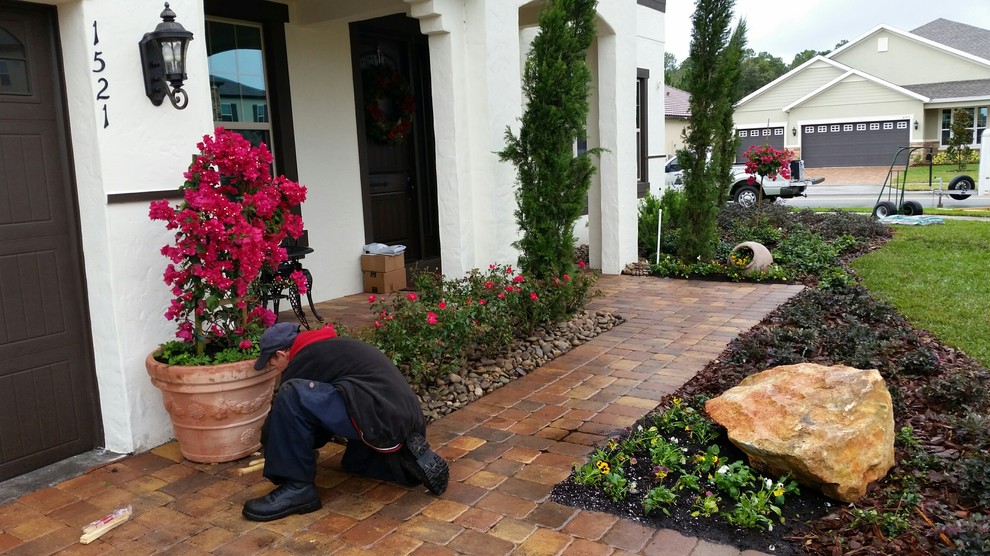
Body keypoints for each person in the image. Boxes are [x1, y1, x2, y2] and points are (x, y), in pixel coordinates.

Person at [242, 322, 448, 522]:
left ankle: (298, 489)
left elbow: (285, 418)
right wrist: (300, 448)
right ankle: (398, 459)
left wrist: (286, 452)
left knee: (291, 394)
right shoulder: (329, 346)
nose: (276, 370)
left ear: (281, 354)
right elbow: (317, 412)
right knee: (354, 464)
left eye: (272, 364)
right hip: (396, 416)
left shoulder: (305, 358)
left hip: (381, 416)